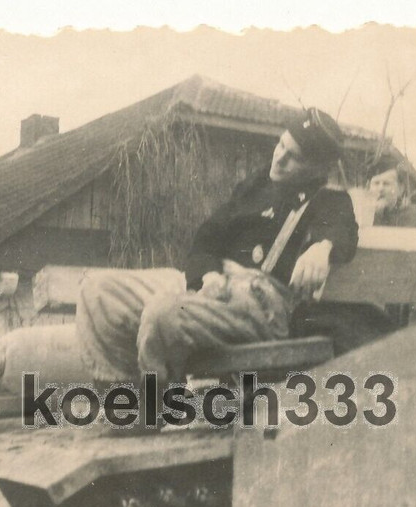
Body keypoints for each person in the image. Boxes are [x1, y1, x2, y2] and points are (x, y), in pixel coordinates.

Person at [77, 107, 358, 385]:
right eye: (281, 145)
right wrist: (208, 276)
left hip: (258, 305)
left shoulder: (327, 199)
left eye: (293, 157)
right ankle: (121, 400)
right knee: (98, 291)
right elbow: (206, 239)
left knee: (163, 314)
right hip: (212, 283)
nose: (279, 159)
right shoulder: (256, 187)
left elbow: (341, 226)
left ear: (316, 168)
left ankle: (151, 405)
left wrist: (323, 248)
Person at [367, 155, 416, 228]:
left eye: (386, 184)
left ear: (400, 189)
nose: (380, 188)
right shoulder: (362, 214)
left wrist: (378, 216)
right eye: (376, 183)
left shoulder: (413, 215)